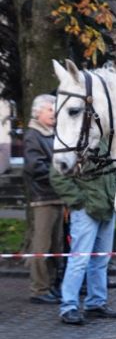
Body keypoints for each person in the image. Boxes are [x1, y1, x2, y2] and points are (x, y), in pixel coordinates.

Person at [49, 139, 116, 325]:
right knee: (79, 260)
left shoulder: (104, 142)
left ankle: (96, 303)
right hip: (86, 211)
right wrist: (79, 202)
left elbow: (113, 173)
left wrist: (114, 195)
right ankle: (69, 306)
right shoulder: (73, 142)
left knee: (101, 260)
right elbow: (57, 176)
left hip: (106, 207)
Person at [24, 94, 64, 305]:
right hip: (43, 198)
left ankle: (50, 285)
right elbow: (34, 167)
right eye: (50, 110)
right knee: (42, 246)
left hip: (57, 197)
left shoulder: (52, 134)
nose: (54, 114)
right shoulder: (33, 135)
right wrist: (59, 172)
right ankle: (38, 289)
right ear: (38, 112)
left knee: (56, 246)